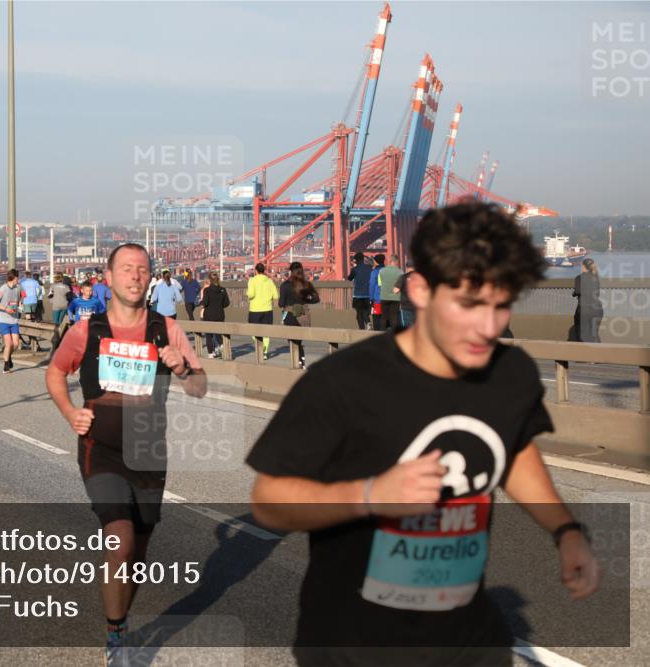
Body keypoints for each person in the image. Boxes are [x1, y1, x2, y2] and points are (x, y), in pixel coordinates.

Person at [247, 202, 598, 666]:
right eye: (470, 304)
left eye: (501, 305)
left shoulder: (508, 373)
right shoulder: (342, 382)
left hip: (471, 641)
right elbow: (268, 499)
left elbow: (512, 449)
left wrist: (565, 530)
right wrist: (369, 496)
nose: (489, 326)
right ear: (419, 290)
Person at [45, 243, 206, 665]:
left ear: (150, 277)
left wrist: (182, 367)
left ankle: (121, 618)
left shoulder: (166, 329)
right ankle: (116, 635)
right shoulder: (88, 330)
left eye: (143, 270)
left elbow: (200, 386)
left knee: (138, 552)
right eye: (127, 269)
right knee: (120, 540)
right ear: (109, 277)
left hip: (149, 451)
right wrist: (70, 413)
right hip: (101, 449)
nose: (135, 276)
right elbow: (56, 371)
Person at [279, 261, 320, 368]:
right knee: (299, 341)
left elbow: (281, 304)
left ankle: (297, 363)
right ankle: (301, 361)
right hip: (303, 316)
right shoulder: (306, 284)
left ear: (291, 271)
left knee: (292, 342)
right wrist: (305, 301)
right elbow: (316, 299)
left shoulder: (285, 285)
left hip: (289, 316)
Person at [0, 269, 25, 374]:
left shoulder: (18, 288)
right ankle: (6, 366)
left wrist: (20, 306)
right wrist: (5, 309)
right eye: (18, 277)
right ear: (14, 278)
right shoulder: (3, 289)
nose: (18, 279)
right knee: (8, 343)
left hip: (14, 319)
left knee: (16, 344)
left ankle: (8, 356)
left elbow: (20, 299)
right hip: (3, 319)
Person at [246, 262, 278, 358]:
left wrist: (247, 293)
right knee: (266, 332)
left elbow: (251, 294)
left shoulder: (252, 281)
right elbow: (276, 296)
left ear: (256, 271)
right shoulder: (270, 281)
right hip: (267, 310)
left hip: (255, 310)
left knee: (253, 331)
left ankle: (261, 347)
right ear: (264, 271)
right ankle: (265, 352)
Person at [571, 257, 603, 343]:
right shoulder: (596, 278)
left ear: (583, 266)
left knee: (581, 335)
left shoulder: (579, 278)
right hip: (597, 309)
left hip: (584, 309)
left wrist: (574, 293)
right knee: (594, 334)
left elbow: (578, 291)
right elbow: (597, 293)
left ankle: (582, 351)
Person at [200, 271, 230, 358]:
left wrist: (201, 302)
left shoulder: (207, 290)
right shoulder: (223, 290)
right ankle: (221, 345)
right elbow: (227, 303)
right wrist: (219, 306)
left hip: (209, 315)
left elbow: (205, 303)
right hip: (220, 314)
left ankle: (211, 353)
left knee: (209, 335)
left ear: (210, 279)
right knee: (219, 332)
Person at [347, 252, 373, 330]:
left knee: (359, 313)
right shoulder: (370, 268)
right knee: (365, 311)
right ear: (363, 259)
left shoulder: (355, 269)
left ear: (356, 260)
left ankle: (361, 329)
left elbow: (349, 278)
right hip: (367, 294)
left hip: (357, 294)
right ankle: (368, 322)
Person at [377, 254, 403, 331]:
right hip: (396, 297)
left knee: (384, 317)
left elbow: (379, 284)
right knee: (394, 317)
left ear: (390, 261)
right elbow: (401, 285)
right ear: (396, 262)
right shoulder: (400, 272)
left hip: (384, 297)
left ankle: (381, 334)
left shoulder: (381, 271)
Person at [394, 262, 417, 331]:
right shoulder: (420, 277)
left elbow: (395, 290)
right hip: (417, 305)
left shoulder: (403, 277)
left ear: (406, 268)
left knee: (407, 327)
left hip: (406, 305)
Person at [369, 253, 386, 331]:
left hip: (377, 299)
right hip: (388, 298)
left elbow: (372, 285)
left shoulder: (374, 272)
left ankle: (377, 333)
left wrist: (371, 298)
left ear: (376, 262)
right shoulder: (387, 271)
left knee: (376, 318)